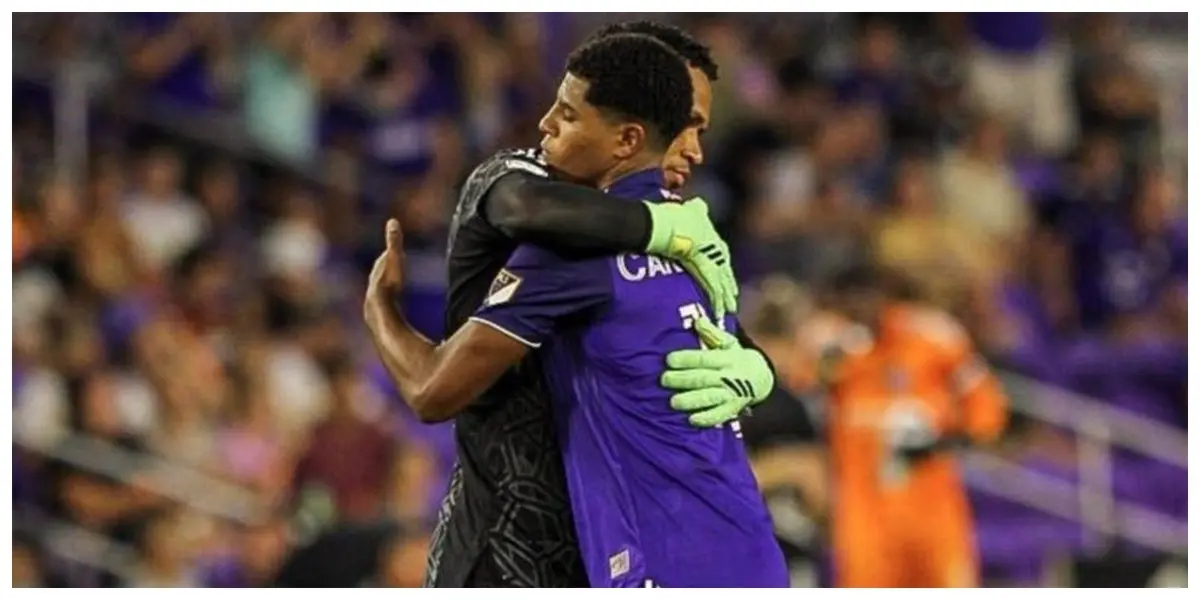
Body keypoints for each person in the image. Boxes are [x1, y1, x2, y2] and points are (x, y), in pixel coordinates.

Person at [365, 33, 785, 587]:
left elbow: (719, 325)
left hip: (622, 548)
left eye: (697, 127)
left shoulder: (686, 238)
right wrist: (655, 228)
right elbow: (523, 205)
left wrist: (759, 370)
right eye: (685, 124)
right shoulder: (531, 189)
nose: (694, 149)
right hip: (507, 546)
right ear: (635, 128)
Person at [802, 263, 1009, 587]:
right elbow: (799, 391)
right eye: (850, 299)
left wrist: (958, 439)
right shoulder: (833, 348)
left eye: (867, 296)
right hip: (864, 514)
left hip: (932, 509)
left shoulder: (930, 336)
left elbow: (983, 400)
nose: (860, 307)